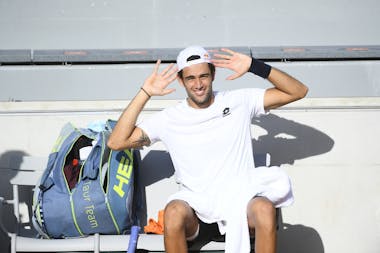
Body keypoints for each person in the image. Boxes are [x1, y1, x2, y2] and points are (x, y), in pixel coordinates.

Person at [107, 46, 308, 253]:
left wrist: (254, 66)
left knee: (265, 209)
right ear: (181, 81)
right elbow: (116, 142)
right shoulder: (169, 118)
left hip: (240, 204)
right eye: (191, 78)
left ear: (213, 75)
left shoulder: (239, 101)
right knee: (173, 212)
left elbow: (298, 91)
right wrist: (145, 93)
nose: (198, 84)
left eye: (203, 76)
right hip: (197, 211)